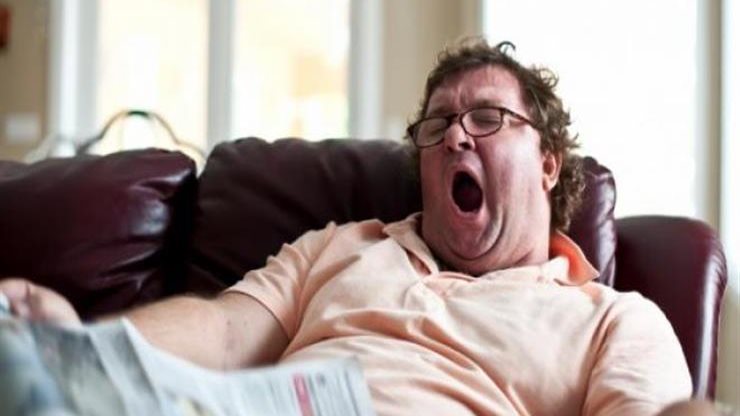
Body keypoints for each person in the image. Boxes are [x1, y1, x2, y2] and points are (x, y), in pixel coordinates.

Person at [0, 39, 707, 415]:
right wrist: (76, 345)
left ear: (548, 162)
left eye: (487, 118)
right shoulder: (343, 247)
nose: (456, 136)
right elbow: (224, 334)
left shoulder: (612, 320)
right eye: (438, 124)